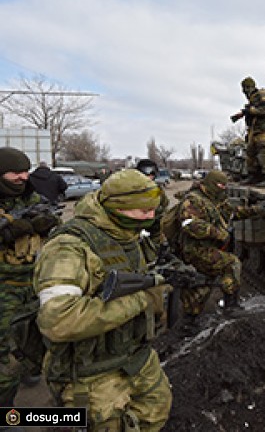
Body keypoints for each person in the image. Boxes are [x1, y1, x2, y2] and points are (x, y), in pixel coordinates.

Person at [32, 169, 172, 430]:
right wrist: (140, 300)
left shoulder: (127, 233)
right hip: (91, 373)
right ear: (118, 208)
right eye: (143, 212)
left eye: (153, 210)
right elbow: (58, 320)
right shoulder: (69, 247)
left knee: (156, 412)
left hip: (135, 356)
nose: (150, 217)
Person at [0, 147, 61, 407]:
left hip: (34, 282)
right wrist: (7, 231)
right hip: (4, 287)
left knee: (35, 337)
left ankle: (28, 369)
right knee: (6, 354)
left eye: (26, 171)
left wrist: (45, 222)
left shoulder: (30, 197)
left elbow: (49, 213)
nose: (23, 177)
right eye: (15, 172)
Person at [173, 170, 242, 316]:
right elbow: (189, 224)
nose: (222, 189)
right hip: (195, 249)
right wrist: (217, 233)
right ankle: (231, 307)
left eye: (224, 186)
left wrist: (259, 210)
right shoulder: (193, 200)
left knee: (202, 288)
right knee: (232, 264)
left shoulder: (213, 198)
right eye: (219, 185)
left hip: (205, 248)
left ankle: (190, 321)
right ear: (210, 183)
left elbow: (233, 211)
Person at [231, 77, 265, 183]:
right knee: (250, 153)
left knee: (262, 153)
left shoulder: (261, 94)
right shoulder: (252, 98)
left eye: (245, 89)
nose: (244, 92)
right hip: (252, 130)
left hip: (262, 130)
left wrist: (251, 110)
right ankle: (252, 175)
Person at [136, 158, 171, 244]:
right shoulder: (131, 190)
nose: (150, 177)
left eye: (152, 174)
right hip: (135, 231)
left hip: (155, 231)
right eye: (147, 174)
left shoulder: (157, 190)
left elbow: (165, 206)